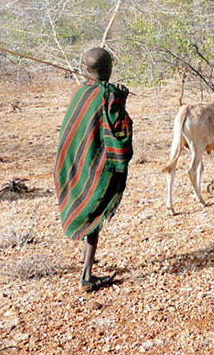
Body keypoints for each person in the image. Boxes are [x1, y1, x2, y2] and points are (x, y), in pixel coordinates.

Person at [54, 47, 133, 292]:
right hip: (95, 166)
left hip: (74, 162)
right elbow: (121, 131)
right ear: (108, 69)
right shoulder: (109, 96)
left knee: (89, 205)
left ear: (87, 70)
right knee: (95, 207)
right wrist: (122, 100)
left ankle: (86, 265)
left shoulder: (80, 92)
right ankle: (87, 276)